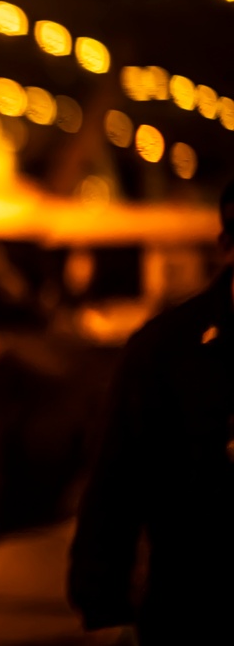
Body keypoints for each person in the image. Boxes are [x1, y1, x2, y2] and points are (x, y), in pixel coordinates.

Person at [67, 178, 234, 644]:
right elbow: (114, 485)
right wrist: (103, 610)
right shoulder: (165, 351)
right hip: (193, 613)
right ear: (227, 247)